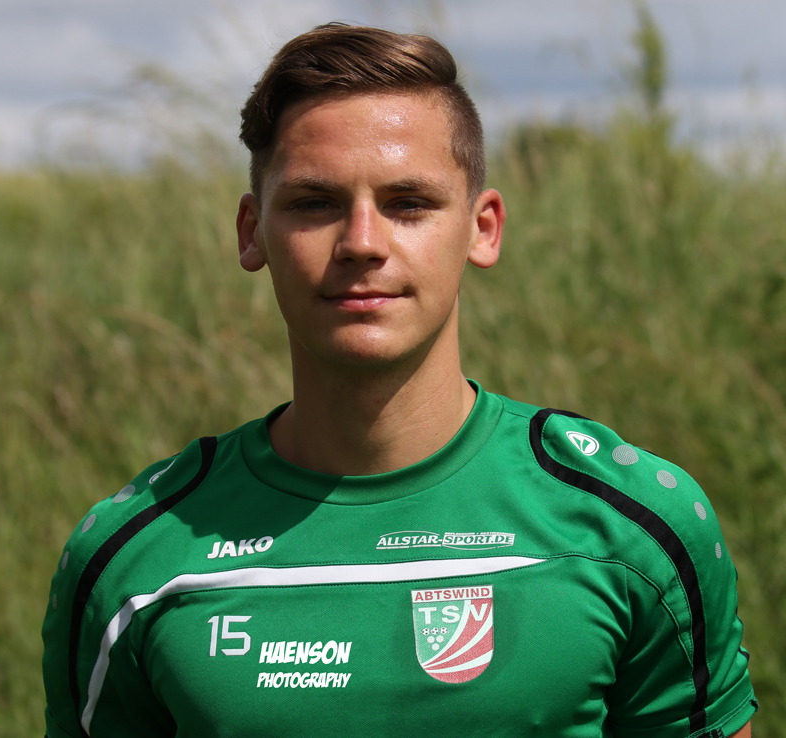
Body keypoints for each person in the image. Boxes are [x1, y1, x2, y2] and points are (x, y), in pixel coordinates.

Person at [42, 23, 757, 738]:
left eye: (408, 203)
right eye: (315, 203)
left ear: (483, 228)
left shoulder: (632, 526)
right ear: (251, 231)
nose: (362, 243)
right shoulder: (134, 557)